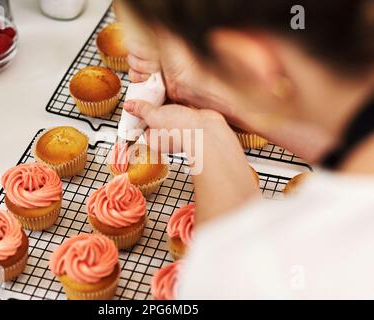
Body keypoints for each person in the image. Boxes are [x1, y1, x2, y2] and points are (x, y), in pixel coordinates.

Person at [117, 0, 374, 298]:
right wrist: (206, 118)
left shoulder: (270, 272)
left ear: (245, 60)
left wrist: (204, 131)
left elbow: (238, 264)